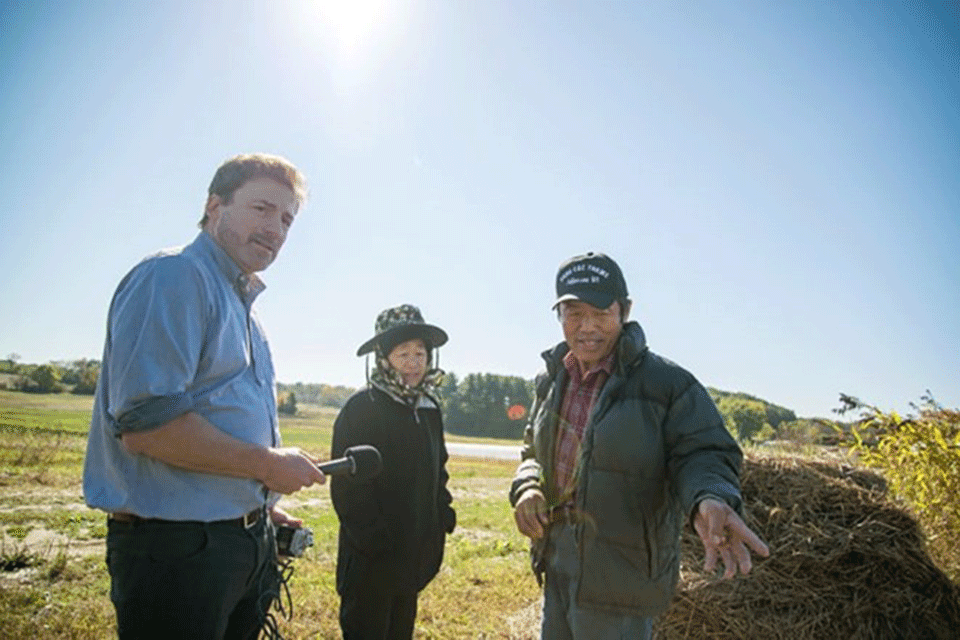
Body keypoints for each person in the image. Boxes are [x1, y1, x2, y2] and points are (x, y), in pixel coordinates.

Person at [83, 153, 326, 640]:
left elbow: (218, 421)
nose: (276, 229)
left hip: (236, 541)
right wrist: (267, 466)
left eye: (286, 219)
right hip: (176, 552)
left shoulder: (246, 310)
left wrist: (256, 504)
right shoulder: (173, 277)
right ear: (215, 205)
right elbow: (149, 427)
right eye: (262, 208)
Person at [509, 252, 770, 640]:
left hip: (621, 574)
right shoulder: (550, 380)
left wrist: (711, 496)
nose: (587, 327)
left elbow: (704, 452)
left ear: (625, 310)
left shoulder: (667, 384)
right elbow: (532, 449)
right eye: (574, 313)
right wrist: (528, 485)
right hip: (557, 561)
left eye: (601, 313)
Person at [331, 304, 457, 640]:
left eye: (420, 353)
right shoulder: (363, 408)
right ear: (383, 358)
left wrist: (442, 513)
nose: (414, 363)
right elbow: (346, 487)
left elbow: (438, 469)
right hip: (370, 559)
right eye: (403, 354)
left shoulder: (429, 408)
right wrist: (374, 539)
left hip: (411, 554)